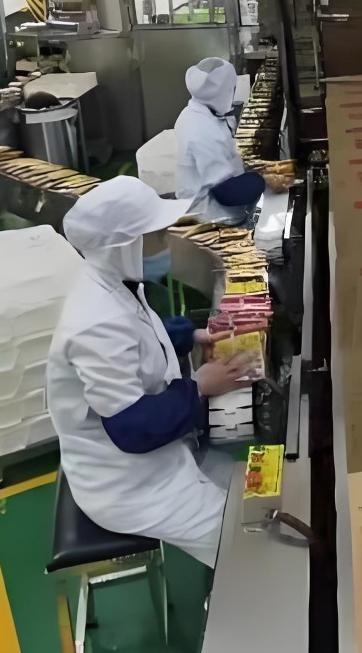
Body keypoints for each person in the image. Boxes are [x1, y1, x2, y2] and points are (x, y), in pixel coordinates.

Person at [47, 176, 258, 568]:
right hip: (129, 485)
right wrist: (199, 387)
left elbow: (141, 337)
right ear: (124, 246)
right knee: (248, 549)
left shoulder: (116, 281)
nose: (166, 244)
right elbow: (132, 427)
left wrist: (191, 335)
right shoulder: (94, 322)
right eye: (158, 236)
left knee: (258, 497)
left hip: (166, 456)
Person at [174, 57, 266, 225]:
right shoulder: (203, 130)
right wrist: (263, 180)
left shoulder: (192, 112)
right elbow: (228, 193)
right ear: (223, 91)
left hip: (201, 203)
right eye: (232, 89)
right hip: (210, 217)